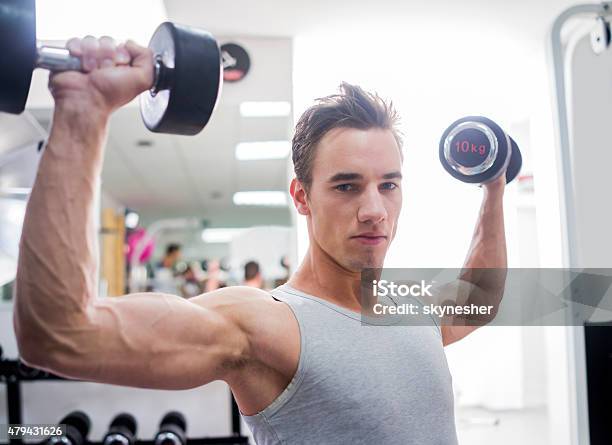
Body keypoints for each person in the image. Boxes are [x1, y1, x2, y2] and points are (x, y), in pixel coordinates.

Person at [13, 37, 507, 445]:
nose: (374, 209)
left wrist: (493, 186)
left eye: (389, 184)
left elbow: (480, 299)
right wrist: (82, 113)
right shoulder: (264, 324)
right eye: (346, 185)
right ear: (302, 197)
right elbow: (60, 335)